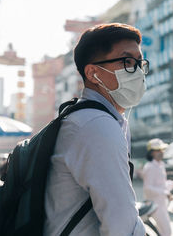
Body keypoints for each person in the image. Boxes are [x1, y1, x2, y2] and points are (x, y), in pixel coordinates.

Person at [44, 23, 149, 235]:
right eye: (127, 61)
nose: (137, 72)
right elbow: (121, 226)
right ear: (93, 73)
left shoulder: (85, 118)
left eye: (139, 63)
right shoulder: (96, 125)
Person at [142, 138, 173, 236]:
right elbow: (148, 188)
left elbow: (162, 184)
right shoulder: (150, 167)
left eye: (161, 150)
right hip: (155, 205)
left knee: (164, 232)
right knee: (166, 232)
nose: (161, 152)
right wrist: (166, 193)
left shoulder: (160, 165)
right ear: (151, 153)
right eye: (157, 150)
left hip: (162, 203)